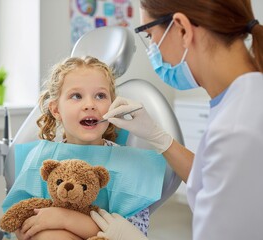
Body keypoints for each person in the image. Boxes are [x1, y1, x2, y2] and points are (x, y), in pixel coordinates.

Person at [90, 0, 263, 240]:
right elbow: (214, 181)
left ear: (182, 28)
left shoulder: (238, 130)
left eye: (149, 36)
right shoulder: (241, 99)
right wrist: (158, 137)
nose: (152, 48)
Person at [2, 56, 151, 240]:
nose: (90, 105)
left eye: (100, 96)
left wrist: (65, 219)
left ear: (112, 106)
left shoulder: (129, 165)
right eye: (76, 96)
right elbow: (19, 223)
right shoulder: (40, 158)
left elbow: (133, 235)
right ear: (56, 110)